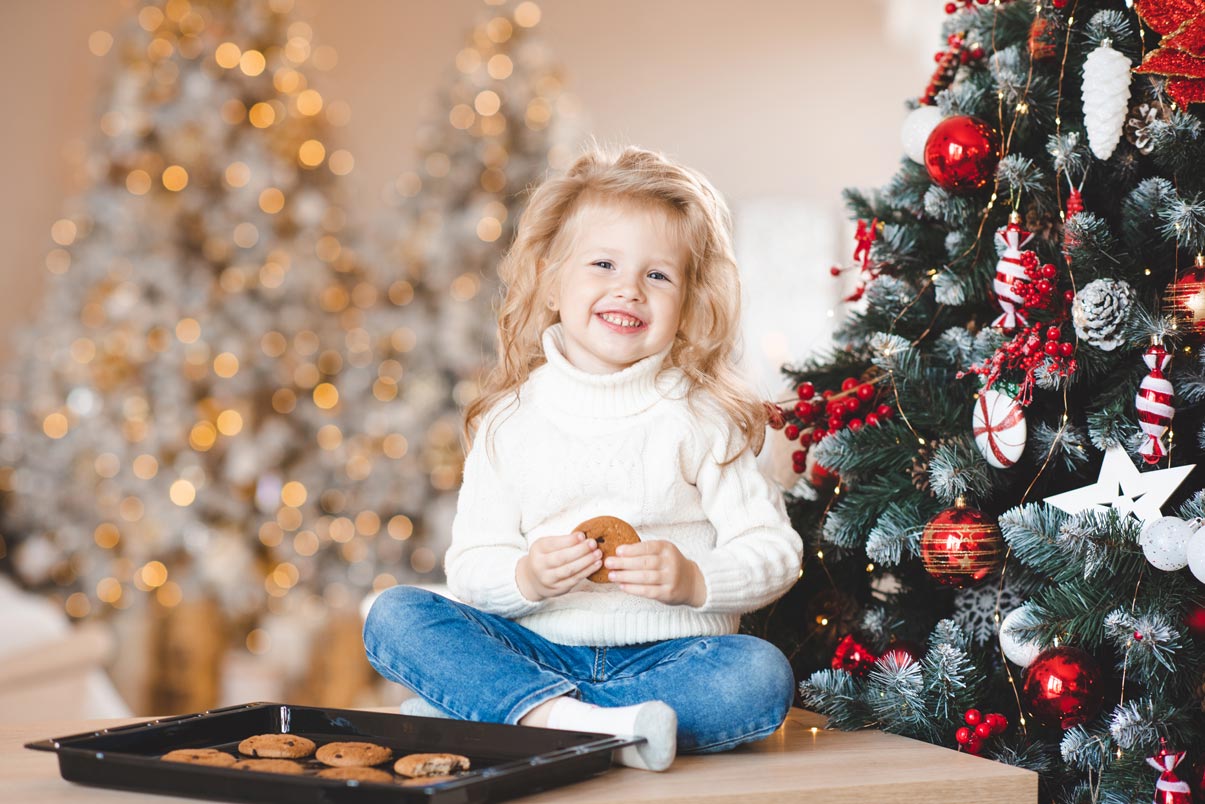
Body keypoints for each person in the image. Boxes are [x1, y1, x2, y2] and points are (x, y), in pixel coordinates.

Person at [363, 145, 803, 772]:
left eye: (659, 275)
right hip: (535, 646)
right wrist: (527, 578)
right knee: (394, 615)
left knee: (758, 675)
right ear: (549, 278)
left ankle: (516, 717)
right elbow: (471, 565)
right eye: (603, 263)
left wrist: (695, 578)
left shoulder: (703, 417)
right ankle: (593, 725)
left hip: (669, 660)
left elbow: (775, 553)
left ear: (688, 300)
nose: (629, 288)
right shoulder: (507, 421)